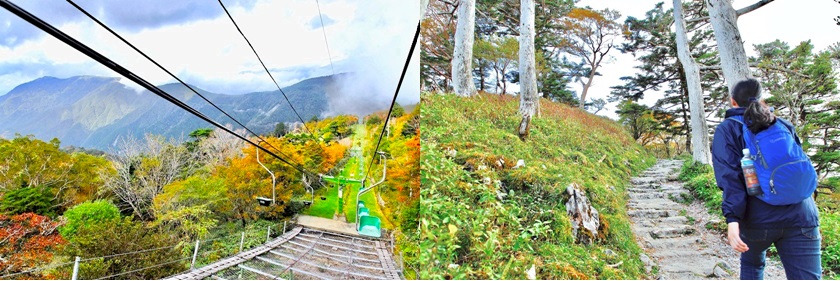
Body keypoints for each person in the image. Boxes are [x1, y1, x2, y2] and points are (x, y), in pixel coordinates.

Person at [711, 78, 822, 280]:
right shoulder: (782, 124)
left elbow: (730, 178)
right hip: (802, 215)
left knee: (753, 268)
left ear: (733, 101)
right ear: (761, 99)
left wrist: (732, 220)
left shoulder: (727, 129)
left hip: (757, 219)